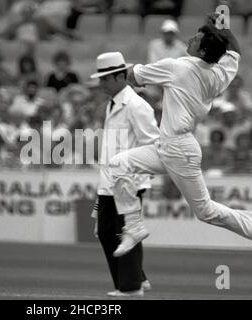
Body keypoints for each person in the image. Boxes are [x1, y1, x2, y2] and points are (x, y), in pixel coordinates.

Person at [108, 14, 252, 265]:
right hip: (168, 145)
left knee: (206, 212)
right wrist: (223, 29)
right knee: (118, 165)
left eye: (196, 38)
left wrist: (107, 72)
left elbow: (133, 76)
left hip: (179, 149)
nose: (190, 39)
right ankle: (133, 227)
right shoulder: (219, 73)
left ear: (202, 50)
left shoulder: (179, 66)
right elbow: (235, 52)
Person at [89, 52, 159, 297]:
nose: (101, 84)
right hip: (110, 181)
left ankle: (130, 287)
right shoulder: (114, 103)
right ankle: (137, 278)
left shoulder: (137, 106)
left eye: (105, 79)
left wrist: (138, 177)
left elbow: (152, 145)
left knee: (124, 231)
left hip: (128, 182)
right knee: (107, 232)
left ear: (120, 77)